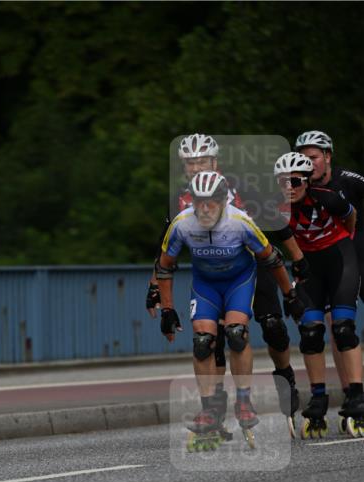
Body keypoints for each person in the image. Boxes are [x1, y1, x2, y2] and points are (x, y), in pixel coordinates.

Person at [147, 134, 309, 424]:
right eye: (189, 163)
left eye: (202, 161)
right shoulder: (181, 199)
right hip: (211, 271)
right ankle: (216, 402)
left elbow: (277, 225)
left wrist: (298, 261)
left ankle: (285, 375)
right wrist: (154, 288)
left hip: (253, 263)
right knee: (215, 337)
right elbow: (166, 248)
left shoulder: (239, 188)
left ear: (215, 161)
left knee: (272, 325)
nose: (196, 168)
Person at [273, 151, 362, 438]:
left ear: (308, 181)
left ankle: (357, 397)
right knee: (310, 333)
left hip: (340, 260)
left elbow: (352, 220)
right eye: (283, 181)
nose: (290, 186)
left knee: (343, 329)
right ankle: (319, 398)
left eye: (296, 181)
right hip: (309, 268)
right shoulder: (277, 211)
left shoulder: (329, 197)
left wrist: (340, 244)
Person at [294, 130, 364, 429]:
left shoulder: (349, 181)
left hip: (355, 250)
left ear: (328, 157)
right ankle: (351, 395)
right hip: (323, 260)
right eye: (304, 160)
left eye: (314, 158)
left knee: (343, 327)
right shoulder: (296, 190)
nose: (309, 165)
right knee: (333, 329)